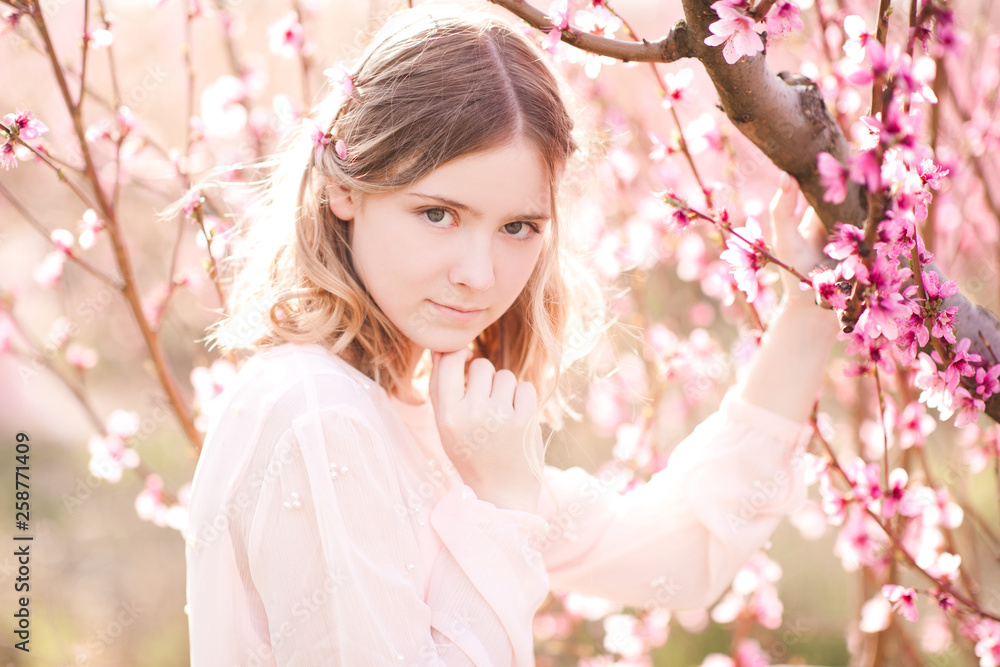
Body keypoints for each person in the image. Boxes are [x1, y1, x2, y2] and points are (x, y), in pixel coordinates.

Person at [184, 3, 840, 665]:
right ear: (344, 187)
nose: (478, 274)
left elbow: (684, 550)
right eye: (438, 213)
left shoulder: (418, 422)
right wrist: (500, 509)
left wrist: (809, 313)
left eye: (517, 227)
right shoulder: (318, 412)